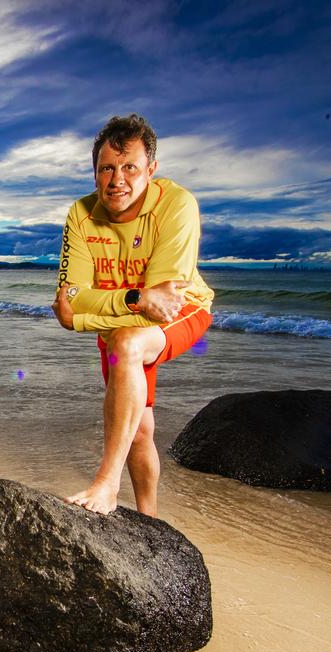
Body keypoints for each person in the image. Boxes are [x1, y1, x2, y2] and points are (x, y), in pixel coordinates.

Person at [52, 113, 213, 517]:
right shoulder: (80, 214)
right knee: (139, 431)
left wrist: (81, 318)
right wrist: (127, 300)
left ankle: (107, 482)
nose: (116, 179)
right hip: (120, 319)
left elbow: (162, 303)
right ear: (95, 171)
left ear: (151, 170)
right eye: (106, 168)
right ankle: (149, 520)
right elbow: (72, 295)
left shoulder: (177, 204)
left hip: (182, 310)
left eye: (130, 168)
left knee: (127, 343)